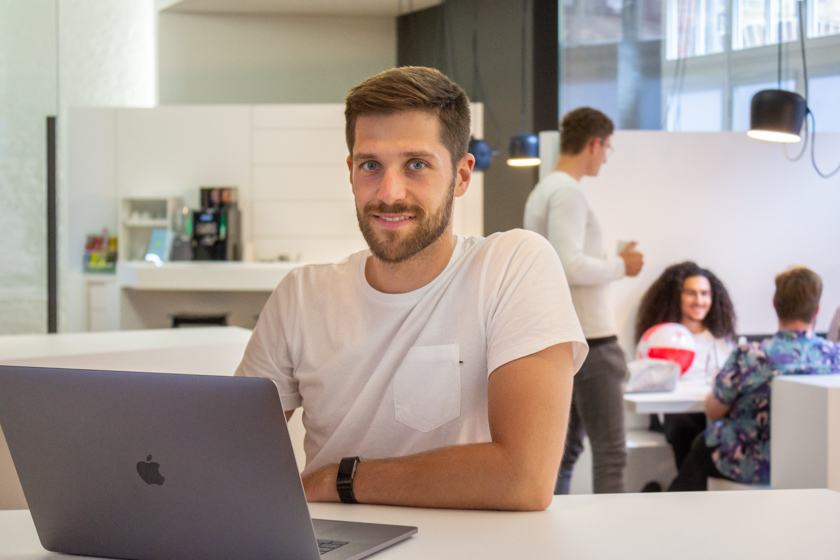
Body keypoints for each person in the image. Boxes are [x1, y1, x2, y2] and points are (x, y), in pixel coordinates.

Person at [235, 66, 588, 511]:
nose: (389, 191)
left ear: (461, 176)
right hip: (331, 546)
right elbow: (233, 456)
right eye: (371, 165)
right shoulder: (301, 294)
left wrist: (342, 480)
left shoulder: (512, 266)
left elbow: (524, 478)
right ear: (350, 172)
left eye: (416, 164)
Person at [523, 107, 644, 494]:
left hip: (568, 340)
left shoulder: (545, 189)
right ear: (594, 143)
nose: (606, 156)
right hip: (592, 341)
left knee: (566, 450)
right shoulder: (567, 192)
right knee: (610, 453)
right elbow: (568, 264)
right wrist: (621, 266)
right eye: (607, 147)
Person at [669, 266, 840, 491]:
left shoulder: (751, 355)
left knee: (701, 443)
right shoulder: (834, 357)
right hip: (811, 464)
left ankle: (671, 508)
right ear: (816, 310)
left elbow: (714, 410)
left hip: (749, 464)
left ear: (775, 303)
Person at [635, 262, 737, 470]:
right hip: (675, 414)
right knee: (688, 431)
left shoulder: (722, 340)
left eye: (704, 293)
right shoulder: (660, 338)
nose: (699, 300)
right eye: (691, 293)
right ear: (677, 296)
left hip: (710, 408)